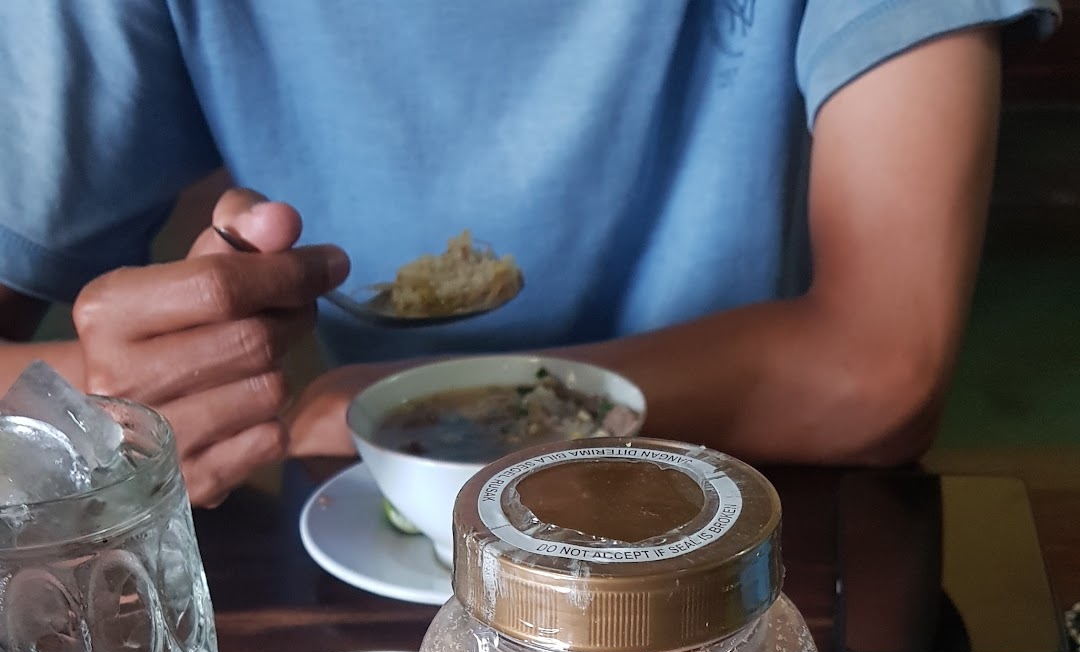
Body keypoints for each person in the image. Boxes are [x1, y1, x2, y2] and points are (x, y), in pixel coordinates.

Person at [0, 2, 1057, 506]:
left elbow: (882, 365)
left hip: (728, 536)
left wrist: (372, 406)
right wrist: (129, 390)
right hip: (367, 559)